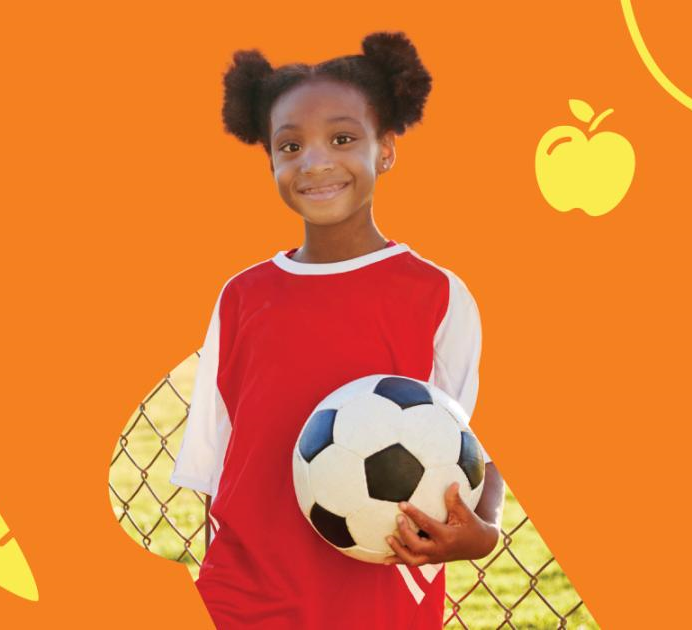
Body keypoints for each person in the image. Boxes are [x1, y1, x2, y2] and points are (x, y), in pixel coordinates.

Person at [169, 31, 505, 629]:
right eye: (290, 145)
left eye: (342, 138)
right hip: (247, 600)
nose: (315, 161)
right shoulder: (241, 296)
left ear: (386, 149)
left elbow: (475, 444)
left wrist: (482, 533)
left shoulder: (438, 294)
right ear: (269, 159)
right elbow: (217, 473)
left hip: (378, 601)